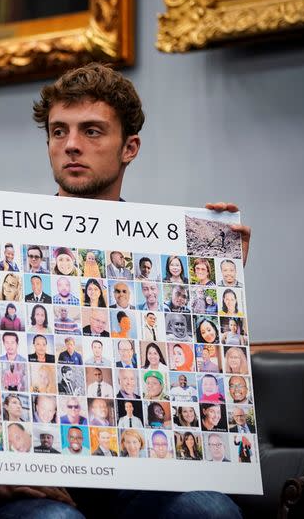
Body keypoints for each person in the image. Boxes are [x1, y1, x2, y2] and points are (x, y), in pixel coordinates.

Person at [32, 63, 248, 516]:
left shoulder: (169, 250)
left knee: (210, 513)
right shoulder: (4, 242)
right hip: (39, 475)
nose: (71, 144)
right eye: (58, 131)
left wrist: (219, 273)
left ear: (129, 147)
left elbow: (201, 375)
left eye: (92, 131)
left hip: (144, 470)